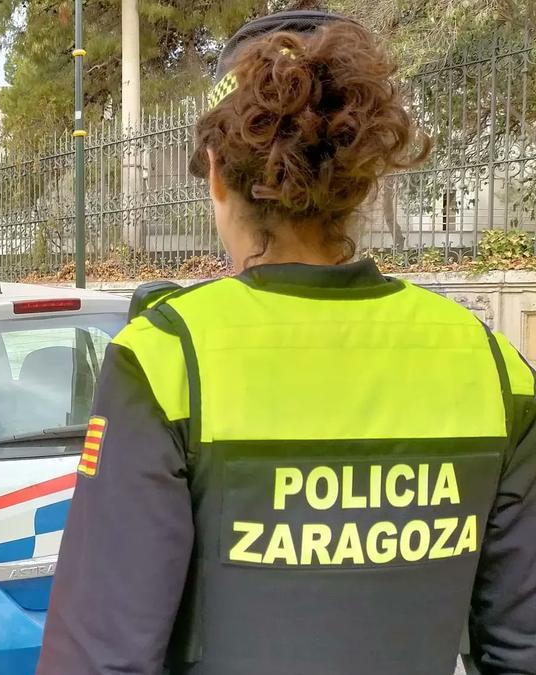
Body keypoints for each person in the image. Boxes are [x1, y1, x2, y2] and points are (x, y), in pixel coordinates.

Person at [38, 10, 536, 675]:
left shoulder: (166, 358)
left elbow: (100, 658)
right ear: (366, 176)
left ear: (216, 173)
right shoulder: (492, 366)